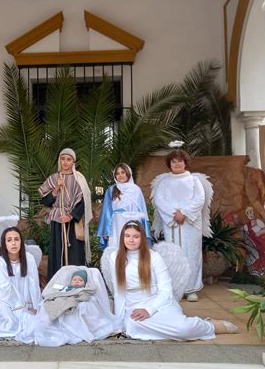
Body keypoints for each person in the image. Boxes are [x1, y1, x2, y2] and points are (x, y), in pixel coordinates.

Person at [109, 221, 238, 340]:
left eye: (136, 236)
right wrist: (118, 321)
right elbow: (119, 293)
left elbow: (166, 291)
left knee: (183, 329)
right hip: (134, 307)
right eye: (127, 236)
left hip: (160, 303)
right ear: (122, 238)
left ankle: (209, 326)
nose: (131, 240)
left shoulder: (153, 257)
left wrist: (149, 309)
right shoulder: (115, 258)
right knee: (131, 326)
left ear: (142, 238)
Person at [151, 142, 213, 302]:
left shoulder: (194, 180)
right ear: (169, 164)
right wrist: (174, 214)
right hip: (172, 223)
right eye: (173, 161)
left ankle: (191, 289)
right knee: (173, 255)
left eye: (180, 161)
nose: (177, 163)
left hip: (190, 224)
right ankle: (175, 288)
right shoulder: (164, 182)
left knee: (191, 254)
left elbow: (199, 199)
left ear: (185, 162)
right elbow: (159, 200)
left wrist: (184, 213)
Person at [16, 266, 117, 347]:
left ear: (84, 283)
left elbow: (85, 296)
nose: (77, 281)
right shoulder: (66, 288)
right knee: (50, 305)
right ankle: (45, 325)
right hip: (62, 299)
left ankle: (70, 329)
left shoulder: (84, 290)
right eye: (75, 279)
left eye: (80, 280)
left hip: (72, 301)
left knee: (76, 306)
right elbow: (55, 293)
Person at [38, 148, 92, 281]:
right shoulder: (54, 178)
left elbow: (84, 201)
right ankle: (58, 282)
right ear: (59, 160)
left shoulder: (79, 179)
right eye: (63, 159)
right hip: (58, 220)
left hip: (73, 222)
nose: (65, 162)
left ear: (73, 161)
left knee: (74, 253)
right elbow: (45, 200)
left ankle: (76, 282)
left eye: (68, 159)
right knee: (57, 251)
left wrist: (70, 216)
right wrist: (56, 189)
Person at [97, 163, 152, 249]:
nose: (120, 175)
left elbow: (142, 210)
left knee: (132, 246)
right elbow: (106, 211)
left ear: (128, 173)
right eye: (117, 173)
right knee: (116, 247)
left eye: (123, 172)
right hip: (116, 223)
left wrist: (142, 228)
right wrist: (106, 231)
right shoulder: (111, 190)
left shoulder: (136, 189)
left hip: (132, 222)